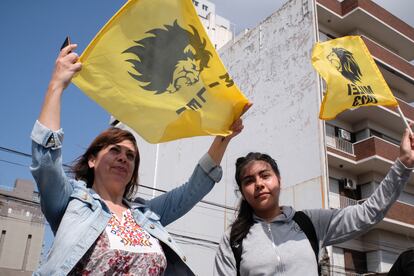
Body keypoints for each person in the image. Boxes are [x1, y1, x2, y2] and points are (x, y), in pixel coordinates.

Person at [31, 42, 249, 275]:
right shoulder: (70, 202)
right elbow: (46, 161)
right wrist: (56, 86)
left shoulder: (146, 214)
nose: (123, 158)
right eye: (114, 151)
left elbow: (191, 191)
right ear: (92, 160)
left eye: (130, 156)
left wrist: (223, 137)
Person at [213, 128, 414, 276]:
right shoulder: (232, 240)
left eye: (265, 175)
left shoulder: (309, 223)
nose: (258, 184)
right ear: (242, 191)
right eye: (249, 181)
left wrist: (403, 164)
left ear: (279, 180)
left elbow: (368, 213)